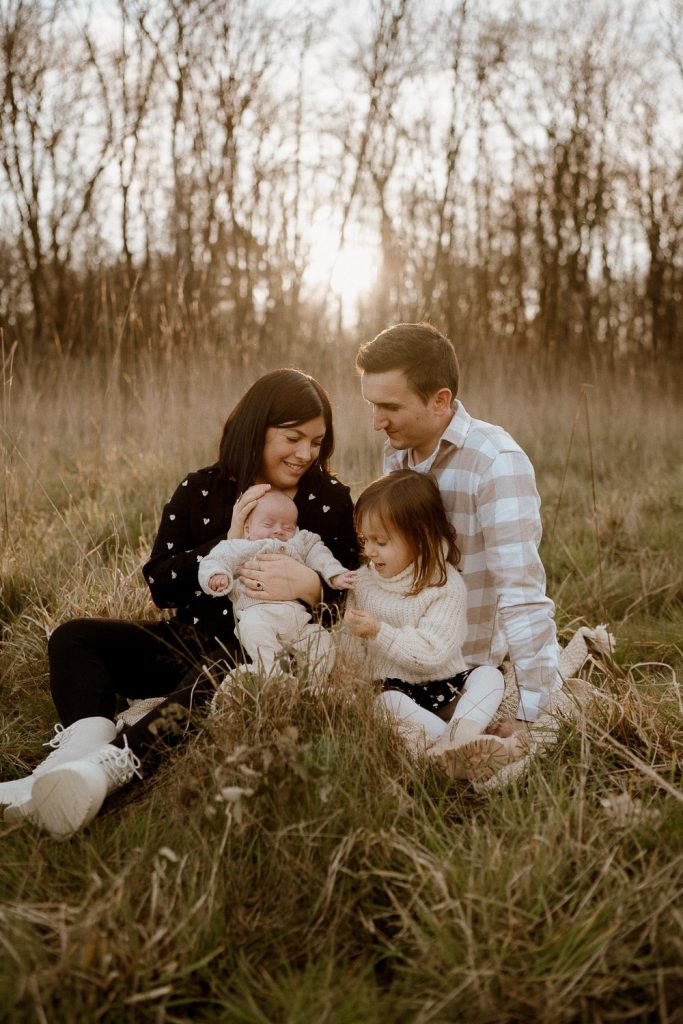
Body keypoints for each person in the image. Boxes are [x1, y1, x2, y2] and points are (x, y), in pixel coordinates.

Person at [0, 368, 359, 838]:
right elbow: (161, 584)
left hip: (264, 652)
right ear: (257, 428)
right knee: (75, 636)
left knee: (216, 673)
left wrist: (310, 586)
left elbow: (351, 595)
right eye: (292, 438)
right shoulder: (203, 488)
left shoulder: (328, 500)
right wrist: (226, 540)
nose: (305, 454)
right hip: (189, 639)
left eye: (316, 442)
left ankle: (107, 770)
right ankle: (75, 755)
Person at [356, 323, 560, 735]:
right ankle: (449, 750)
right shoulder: (396, 456)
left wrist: (531, 713)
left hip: (466, 670)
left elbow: (521, 593)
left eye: (390, 407)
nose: (377, 421)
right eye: (372, 406)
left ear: (440, 400)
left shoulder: (494, 461)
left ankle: (459, 743)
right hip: (400, 662)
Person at [341, 470, 527, 780]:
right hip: (396, 691)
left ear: (419, 538)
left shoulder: (444, 585)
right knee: (385, 704)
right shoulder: (362, 583)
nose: (370, 551)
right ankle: (462, 748)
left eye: (381, 541)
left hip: (445, 685)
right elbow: (351, 648)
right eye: (365, 540)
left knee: (490, 677)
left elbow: (433, 652)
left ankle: (457, 737)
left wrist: (379, 632)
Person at [198, 488, 355, 683]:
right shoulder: (239, 547)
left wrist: (335, 574)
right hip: (258, 614)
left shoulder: (300, 541)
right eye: (268, 524)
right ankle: (276, 677)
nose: (278, 530)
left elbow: (320, 554)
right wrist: (217, 575)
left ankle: (315, 685)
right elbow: (213, 560)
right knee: (252, 630)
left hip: (298, 620)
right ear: (248, 529)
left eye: (287, 527)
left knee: (321, 639)